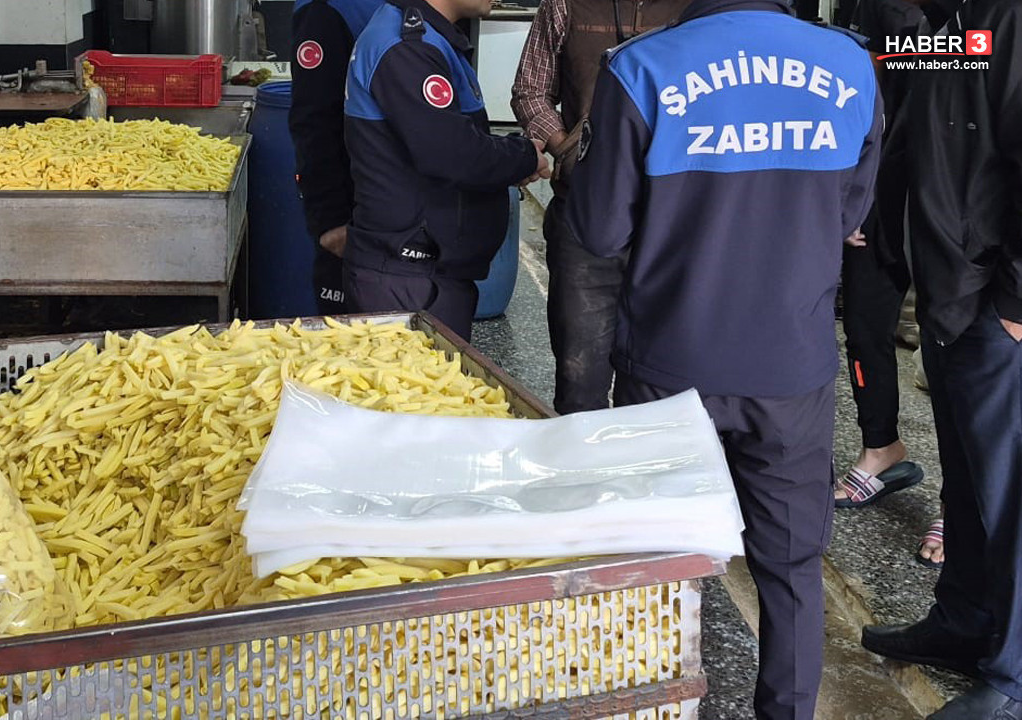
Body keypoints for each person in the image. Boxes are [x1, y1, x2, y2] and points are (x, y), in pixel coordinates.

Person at [564, 0, 883, 715]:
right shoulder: (852, 65)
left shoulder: (642, 67)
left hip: (671, 366)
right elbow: (848, 215)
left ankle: (656, 702)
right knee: (792, 566)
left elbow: (599, 228)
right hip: (790, 370)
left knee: (658, 560)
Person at [860, 0, 1022, 715]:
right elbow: (925, 132)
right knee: (967, 479)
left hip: (993, 298)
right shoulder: (953, 18)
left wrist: (1015, 301)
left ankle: (1013, 676)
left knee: (1010, 494)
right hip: (947, 285)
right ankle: (963, 623)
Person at [511, 0, 687, 413]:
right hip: (584, 216)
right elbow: (531, 90)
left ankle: (642, 471)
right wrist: (568, 149)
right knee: (580, 378)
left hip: (676, 221)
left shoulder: (699, 7)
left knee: (663, 379)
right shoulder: (564, 4)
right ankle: (581, 473)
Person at [342, 0, 550, 340]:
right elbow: (454, 154)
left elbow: (455, 139)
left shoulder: (429, 40)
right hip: (409, 279)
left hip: (425, 273)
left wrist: (512, 159)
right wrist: (524, 156)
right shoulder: (407, 48)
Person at [833, 0, 926, 512]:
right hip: (877, 194)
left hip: (953, 203)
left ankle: (964, 501)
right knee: (866, 331)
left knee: (953, 354)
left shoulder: (976, 22)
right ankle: (880, 448)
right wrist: (848, 197)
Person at [289, 0, 387, 315]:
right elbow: (316, 122)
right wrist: (330, 222)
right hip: (353, 221)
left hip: (399, 221)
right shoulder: (324, 11)